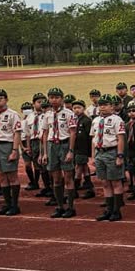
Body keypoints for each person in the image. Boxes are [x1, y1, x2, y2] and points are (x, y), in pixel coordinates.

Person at [38, 87, 78, 219]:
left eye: (57, 97)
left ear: (62, 98)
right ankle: (60, 206)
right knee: (56, 178)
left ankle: (71, 207)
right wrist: (44, 153)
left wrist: (70, 151)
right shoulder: (47, 115)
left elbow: (73, 133)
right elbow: (45, 133)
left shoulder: (69, 114)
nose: (54, 100)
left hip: (64, 144)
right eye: (51, 97)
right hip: (52, 145)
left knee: (68, 177)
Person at [0, 89, 24, 216]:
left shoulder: (13, 114)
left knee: (12, 176)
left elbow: (17, 133)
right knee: (1, 176)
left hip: (7, 145)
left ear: (6, 99)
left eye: (0, 98)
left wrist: (14, 150)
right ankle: (7, 204)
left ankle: (15, 205)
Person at [91, 95, 127, 222]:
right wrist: (93, 156)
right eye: (100, 105)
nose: (102, 107)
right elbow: (93, 138)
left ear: (112, 106)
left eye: (105, 105)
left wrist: (120, 155)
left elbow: (121, 138)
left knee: (115, 181)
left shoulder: (117, 120)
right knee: (105, 182)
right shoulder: (96, 120)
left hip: (112, 152)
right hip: (99, 152)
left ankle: (117, 210)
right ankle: (109, 209)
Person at [71, 98, 94, 202]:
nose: (76, 110)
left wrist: (89, 151)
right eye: (74, 108)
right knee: (84, 168)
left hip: (82, 148)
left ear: (83, 108)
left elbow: (90, 136)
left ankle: (74, 190)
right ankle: (90, 188)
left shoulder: (86, 120)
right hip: (77, 148)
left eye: (79, 107)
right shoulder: (75, 119)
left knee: (79, 168)